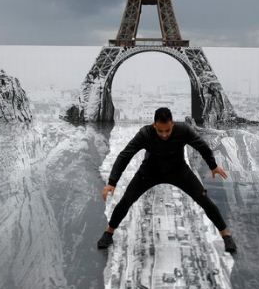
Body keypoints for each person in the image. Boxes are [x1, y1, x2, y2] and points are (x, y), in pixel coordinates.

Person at [97, 107, 237, 254]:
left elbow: (201, 146)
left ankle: (226, 235)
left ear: (172, 124)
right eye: (160, 131)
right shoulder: (145, 134)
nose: (164, 135)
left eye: (167, 130)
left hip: (178, 171)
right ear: (154, 125)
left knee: (204, 200)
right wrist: (112, 182)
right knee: (126, 200)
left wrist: (213, 166)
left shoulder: (183, 130)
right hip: (150, 172)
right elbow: (125, 155)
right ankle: (109, 232)